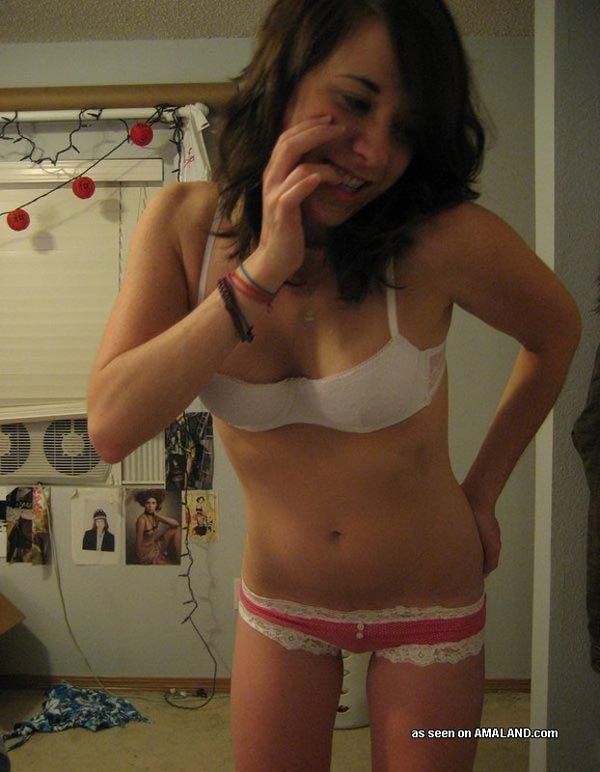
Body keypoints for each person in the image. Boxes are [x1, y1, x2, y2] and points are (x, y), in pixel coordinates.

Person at [87, 1, 581, 769]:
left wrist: (483, 493)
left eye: (406, 129)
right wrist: (259, 274)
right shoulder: (185, 225)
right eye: (353, 102)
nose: (375, 152)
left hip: (430, 600)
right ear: (286, 76)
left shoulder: (439, 238)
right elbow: (112, 428)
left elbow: (557, 333)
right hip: (280, 605)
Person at [133, 490, 181, 565]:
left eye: (153, 503)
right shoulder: (142, 520)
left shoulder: (156, 516)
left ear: (157, 505)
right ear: (144, 504)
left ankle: (180, 559)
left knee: (176, 529)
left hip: (155, 546)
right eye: (148, 503)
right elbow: (138, 544)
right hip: (146, 552)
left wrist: (158, 516)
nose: (150, 506)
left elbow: (176, 524)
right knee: (168, 565)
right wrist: (143, 559)